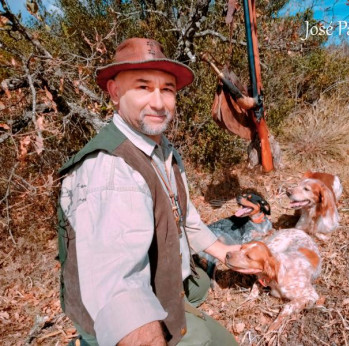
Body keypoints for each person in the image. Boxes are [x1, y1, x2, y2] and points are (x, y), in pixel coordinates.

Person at [57, 37, 253, 346]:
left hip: (164, 289)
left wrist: (232, 255)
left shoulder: (163, 150)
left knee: (205, 302)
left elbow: (186, 220)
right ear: (115, 93)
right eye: (143, 87)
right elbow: (119, 293)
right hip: (127, 322)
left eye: (168, 89)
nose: (159, 103)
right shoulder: (111, 169)